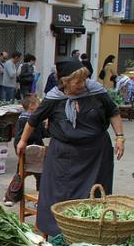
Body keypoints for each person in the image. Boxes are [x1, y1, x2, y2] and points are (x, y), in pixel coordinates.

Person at [17, 60, 125, 236]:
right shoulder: (54, 98)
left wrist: (120, 137)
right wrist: (22, 141)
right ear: (65, 82)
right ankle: (59, 232)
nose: (83, 85)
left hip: (95, 155)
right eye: (77, 82)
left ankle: (91, 230)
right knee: (59, 194)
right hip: (63, 157)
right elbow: (33, 120)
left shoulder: (96, 92)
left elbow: (113, 111)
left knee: (93, 194)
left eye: (84, 80)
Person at [3, 94, 44, 206]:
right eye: (38, 104)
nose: (39, 106)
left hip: (29, 151)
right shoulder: (29, 119)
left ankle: (11, 197)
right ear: (31, 106)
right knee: (31, 174)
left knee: (22, 174)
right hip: (30, 151)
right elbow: (30, 136)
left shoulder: (25, 117)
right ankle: (13, 197)